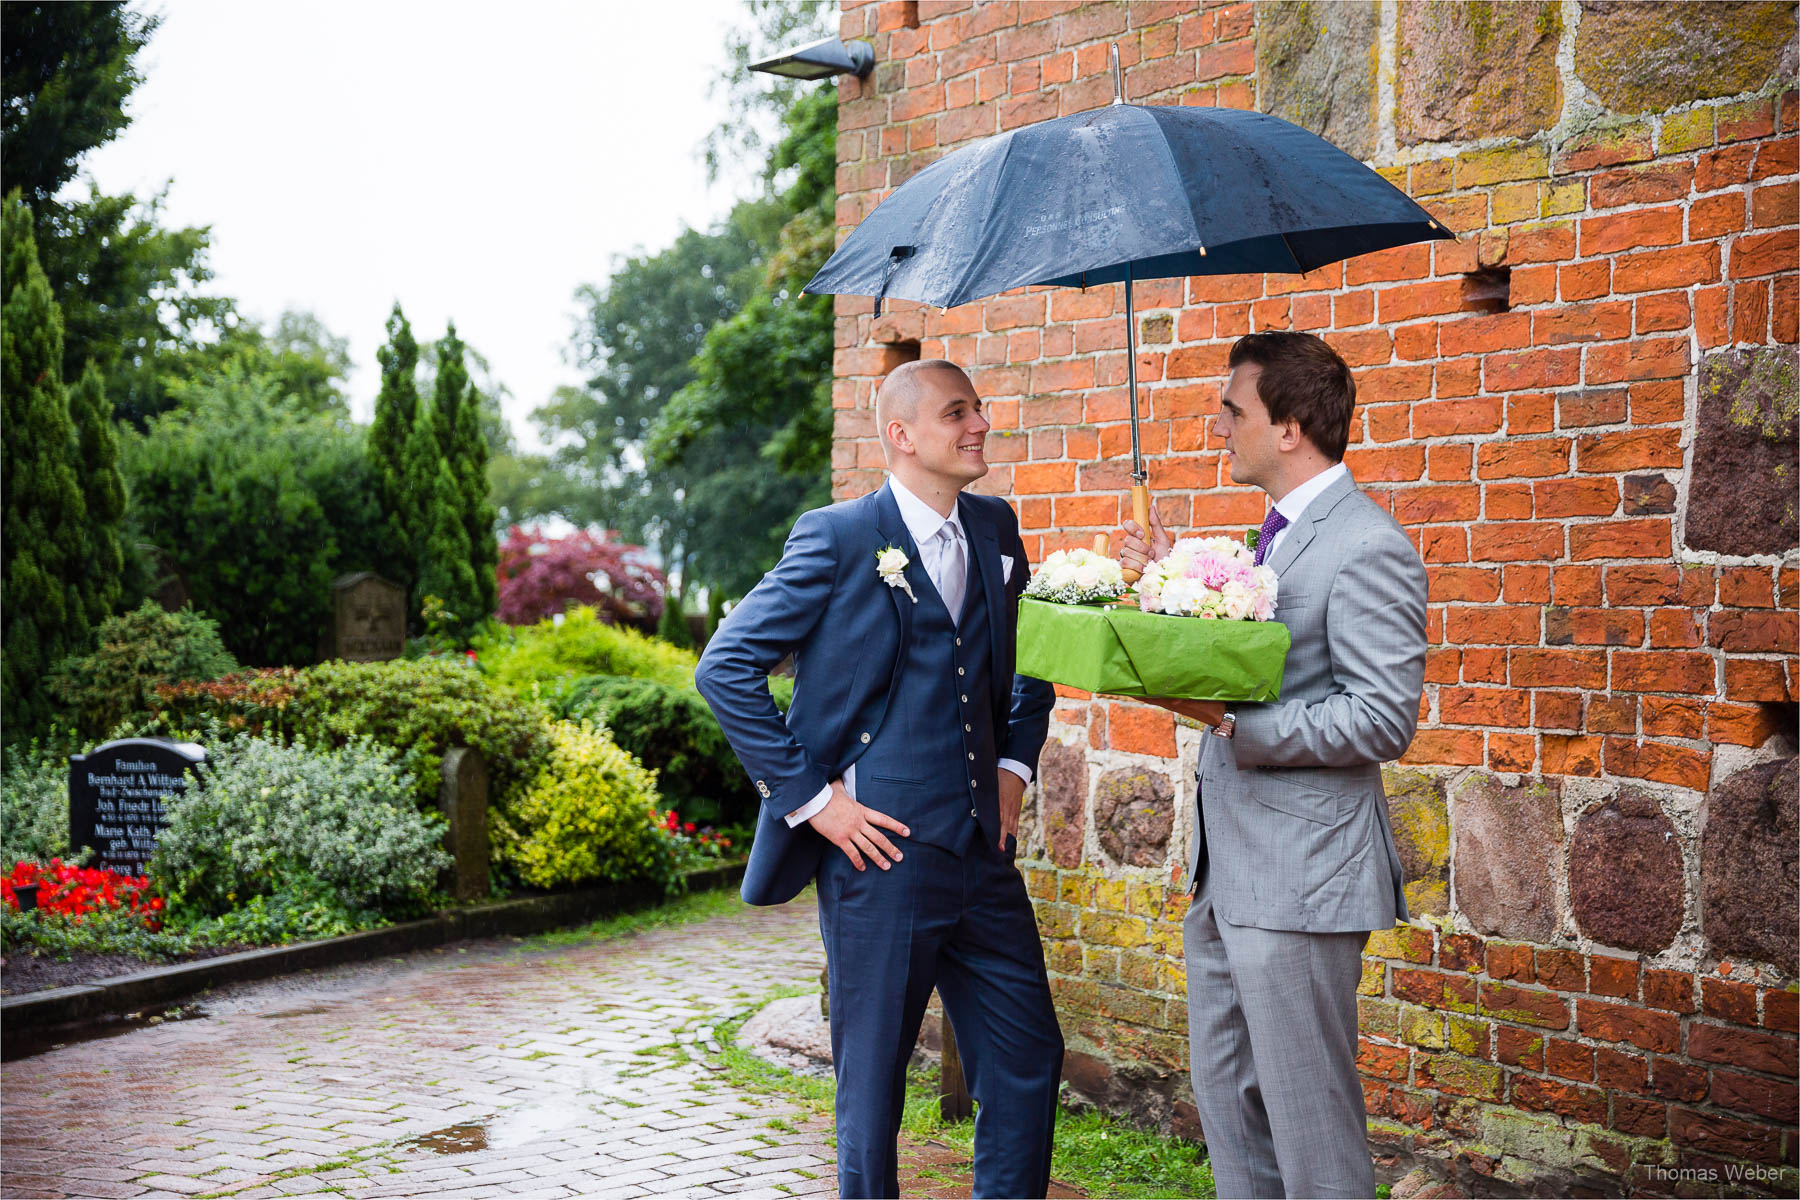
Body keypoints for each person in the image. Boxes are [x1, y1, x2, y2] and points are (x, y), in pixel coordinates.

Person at [696, 358, 1062, 1200]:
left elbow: (1032, 657)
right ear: (899, 436)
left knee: (1027, 1054)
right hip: (879, 862)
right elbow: (726, 669)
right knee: (872, 1088)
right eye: (955, 412)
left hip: (982, 853)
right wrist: (814, 803)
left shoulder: (996, 528)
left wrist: (1013, 762)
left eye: (979, 408)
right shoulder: (837, 536)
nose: (980, 425)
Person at [1119, 330, 1427, 1199]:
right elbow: (1249, 656)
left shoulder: (1368, 546)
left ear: (1289, 426)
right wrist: (1161, 584)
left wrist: (1233, 724)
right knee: (1229, 1105)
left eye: (1232, 409)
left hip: (1303, 879)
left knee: (1307, 1118)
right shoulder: (1277, 536)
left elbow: (1381, 717)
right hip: (1226, 873)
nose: (1219, 425)